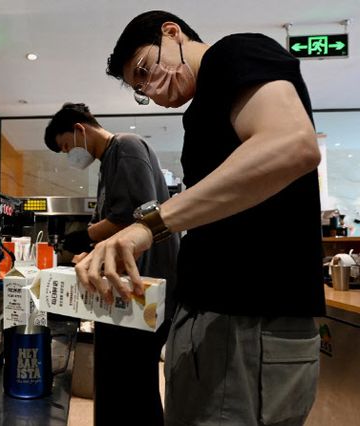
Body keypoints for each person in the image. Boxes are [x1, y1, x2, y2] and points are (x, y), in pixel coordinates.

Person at [75, 10, 325, 426]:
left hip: (246, 321)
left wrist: (148, 226)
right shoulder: (201, 110)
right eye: (140, 89)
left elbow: (291, 144)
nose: (152, 89)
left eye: (145, 69)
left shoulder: (235, 52)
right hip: (213, 320)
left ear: (171, 33)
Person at [44, 102, 179, 426]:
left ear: (79, 129)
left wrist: (83, 236)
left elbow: (134, 214)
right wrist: (91, 250)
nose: (70, 155)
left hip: (143, 288)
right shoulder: (109, 162)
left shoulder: (126, 147)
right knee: (118, 380)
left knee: (132, 384)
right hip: (128, 289)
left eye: (66, 146)